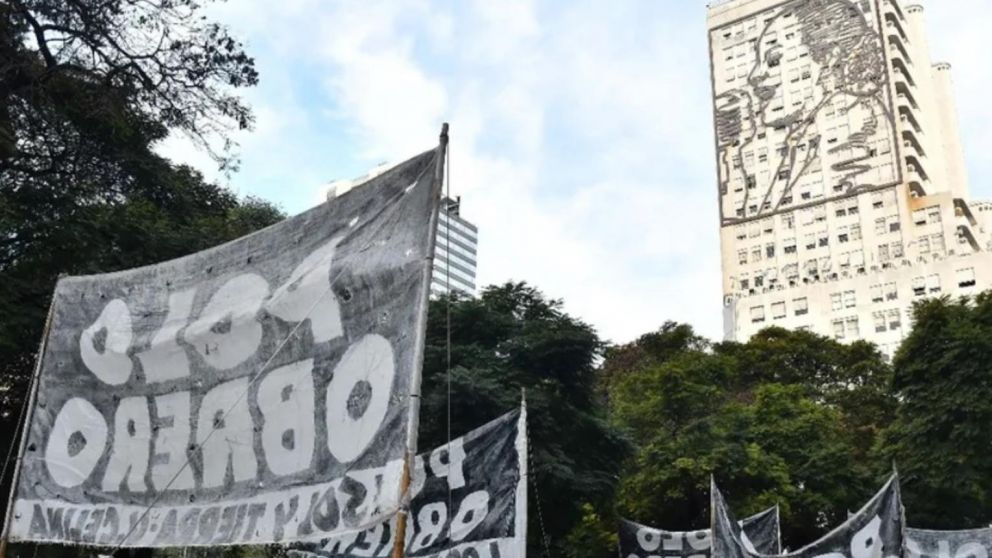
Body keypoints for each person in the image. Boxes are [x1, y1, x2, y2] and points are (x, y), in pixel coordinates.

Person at [716, 0, 896, 222]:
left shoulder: (855, 133)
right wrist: (735, 158)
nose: (755, 74)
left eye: (773, 60)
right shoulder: (801, 136)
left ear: (830, 57)